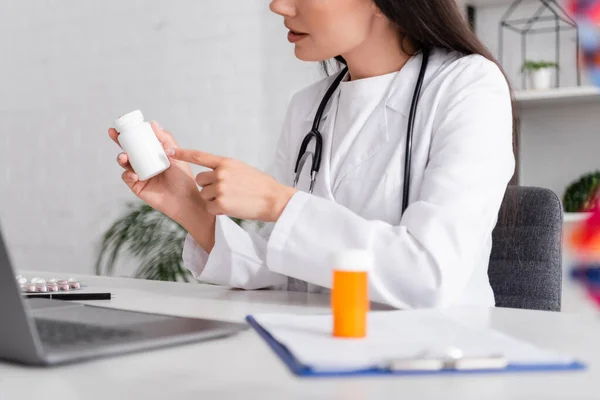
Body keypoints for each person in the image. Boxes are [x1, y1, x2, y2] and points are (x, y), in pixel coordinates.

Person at [108, 0, 515, 309]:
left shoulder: (468, 86)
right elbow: (283, 269)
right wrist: (188, 203)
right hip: (322, 350)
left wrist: (277, 203)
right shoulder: (309, 106)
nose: (278, 6)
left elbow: (430, 275)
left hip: (434, 363)